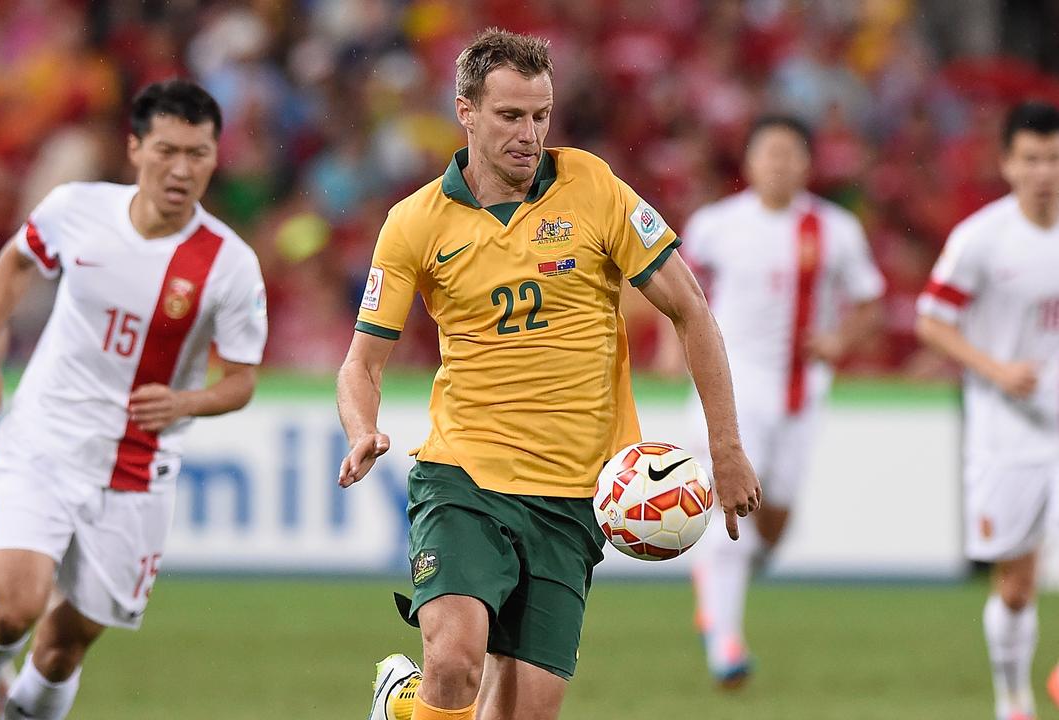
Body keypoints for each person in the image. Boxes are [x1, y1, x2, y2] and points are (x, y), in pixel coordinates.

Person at [336, 29, 761, 720]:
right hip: (463, 476)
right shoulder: (413, 222)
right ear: (465, 111)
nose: (528, 135)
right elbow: (361, 362)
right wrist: (361, 427)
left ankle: (401, 704)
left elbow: (690, 310)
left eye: (540, 116)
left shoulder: (591, 186)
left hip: (573, 495)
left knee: (525, 712)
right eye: (509, 116)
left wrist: (726, 445)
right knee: (454, 660)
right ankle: (420, 689)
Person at [0, 79, 267, 720]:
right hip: (45, 441)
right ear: (135, 147)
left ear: (215, 158)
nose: (181, 169)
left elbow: (243, 380)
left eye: (197, 154)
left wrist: (185, 403)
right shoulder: (75, 208)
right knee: (14, 611)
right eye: (167, 150)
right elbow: (14, 262)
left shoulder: (230, 265)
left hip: (136, 472)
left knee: (61, 652)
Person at [676, 115, 884, 687]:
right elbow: (680, 294)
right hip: (734, 385)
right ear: (748, 162)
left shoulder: (836, 229)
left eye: (790, 153)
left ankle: (717, 585)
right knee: (733, 502)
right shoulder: (715, 225)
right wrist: (676, 349)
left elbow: (870, 303)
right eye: (768, 152)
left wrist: (840, 339)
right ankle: (724, 638)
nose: (779, 163)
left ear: (807, 164)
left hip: (802, 390)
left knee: (777, 519)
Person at [916, 100, 1059, 720]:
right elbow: (930, 321)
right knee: (1017, 584)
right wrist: (999, 370)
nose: (1044, 171)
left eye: (1054, 158)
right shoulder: (981, 240)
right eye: (1031, 158)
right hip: (1008, 431)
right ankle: (1014, 697)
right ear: (1007, 163)